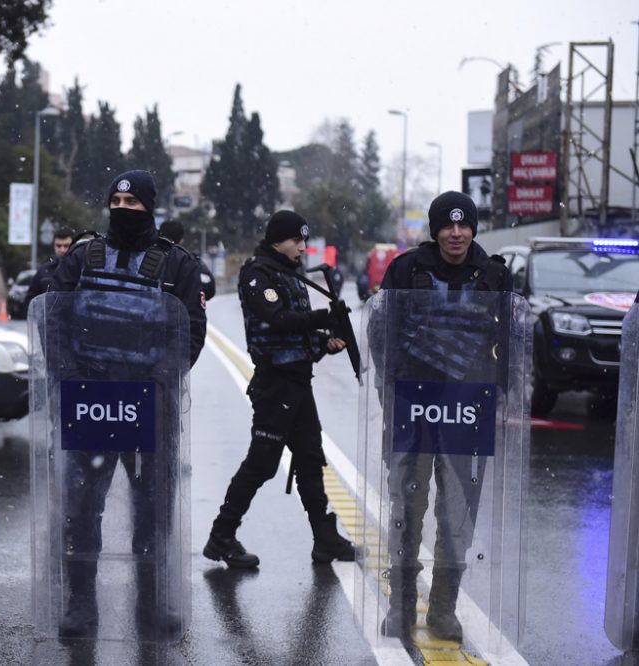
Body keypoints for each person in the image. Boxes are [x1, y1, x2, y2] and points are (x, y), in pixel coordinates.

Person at [48, 169, 207, 639]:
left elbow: (189, 332)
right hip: (90, 402)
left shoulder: (177, 264)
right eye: (116, 199)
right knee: (81, 510)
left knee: (152, 512)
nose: (122, 208)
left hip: (149, 406)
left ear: (150, 206)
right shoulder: (83, 256)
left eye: (133, 201)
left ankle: (152, 603)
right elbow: (54, 320)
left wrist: (157, 382)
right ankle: (79, 605)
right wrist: (71, 376)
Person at [377, 191, 512, 641]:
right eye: (448, 225)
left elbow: (511, 343)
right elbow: (382, 332)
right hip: (413, 409)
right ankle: (400, 607)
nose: (456, 233)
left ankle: (442, 610)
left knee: (457, 514)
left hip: (467, 409)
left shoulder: (494, 275)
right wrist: (390, 389)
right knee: (406, 510)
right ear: (435, 230)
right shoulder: (406, 270)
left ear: (473, 228)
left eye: (464, 225)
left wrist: (505, 393)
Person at [203, 210, 355, 570]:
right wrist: (323, 319)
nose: (302, 247)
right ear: (276, 240)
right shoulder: (260, 274)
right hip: (276, 384)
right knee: (262, 463)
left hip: (298, 380)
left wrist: (323, 343)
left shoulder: (287, 273)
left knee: (309, 457)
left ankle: (324, 537)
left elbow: (294, 333)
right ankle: (222, 535)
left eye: (304, 240)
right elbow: (277, 320)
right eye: (296, 241)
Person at [159, 219, 216, 301]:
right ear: (181, 240)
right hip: (181, 311)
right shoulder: (189, 261)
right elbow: (209, 288)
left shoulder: (148, 256)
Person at [25, 226, 75, 308]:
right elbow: (30, 300)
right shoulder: (44, 270)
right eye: (58, 246)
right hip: (48, 318)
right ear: (54, 246)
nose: (62, 250)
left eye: (66, 246)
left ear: (73, 245)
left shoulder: (80, 269)